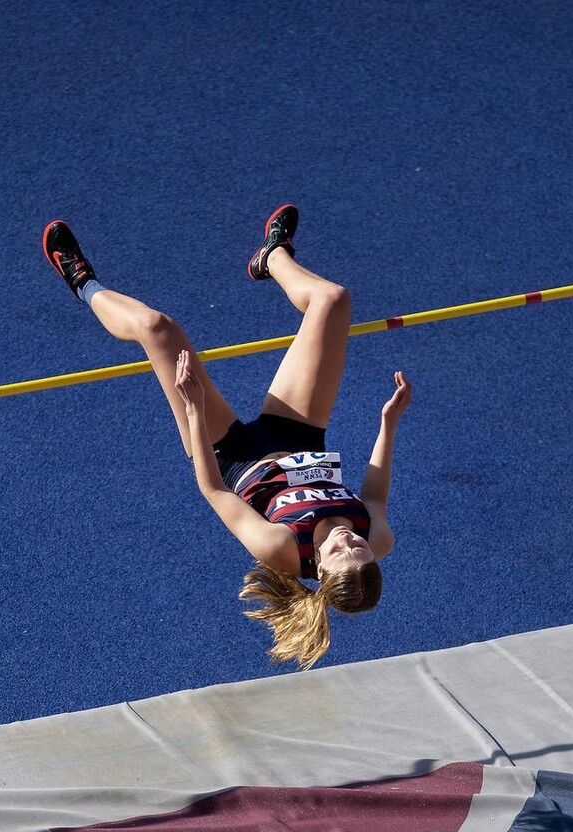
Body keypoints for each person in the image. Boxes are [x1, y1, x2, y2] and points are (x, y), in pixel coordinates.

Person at [41, 205, 412, 669]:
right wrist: (388, 423)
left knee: (158, 330)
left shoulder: (279, 548)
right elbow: (375, 492)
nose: (348, 541)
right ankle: (273, 255)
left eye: (341, 552)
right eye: (358, 549)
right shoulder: (376, 538)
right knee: (334, 300)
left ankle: (83, 283)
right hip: (299, 433)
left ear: (320, 569)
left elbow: (213, 488)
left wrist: (194, 409)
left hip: (229, 452)